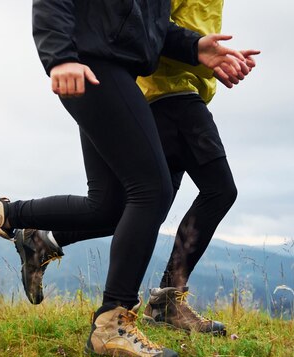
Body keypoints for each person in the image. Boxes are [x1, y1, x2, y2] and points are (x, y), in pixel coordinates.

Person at [0, 0, 250, 357]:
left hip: (111, 67)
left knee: (109, 207)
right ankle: (111, 325)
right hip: (93, 61)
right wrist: (59, 56)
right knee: (152, 191)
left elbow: (145, 25)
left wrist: (194, 47)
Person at [13, 0, 258, 336]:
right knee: (205, 191)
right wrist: (61, 57)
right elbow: (144, 30)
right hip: (168, 91)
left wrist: (205, 52)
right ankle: (138, 310)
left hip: (167, 89)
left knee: (128, 204)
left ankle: (39, 235)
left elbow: (157, 27)